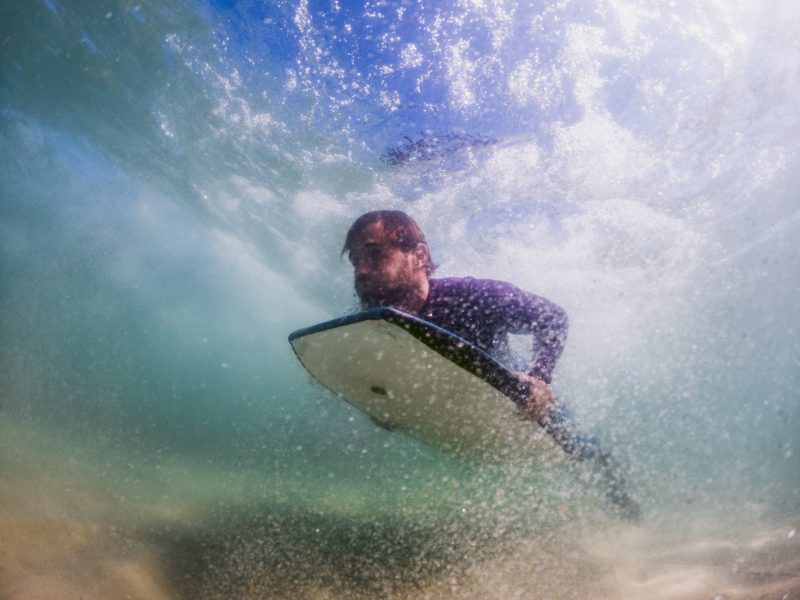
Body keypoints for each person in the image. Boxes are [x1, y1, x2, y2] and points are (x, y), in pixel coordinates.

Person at [342, 209, 641, 521]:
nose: (361, 271)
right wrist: (377, 402)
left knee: (586, 450)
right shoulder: (371, 323)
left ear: (418, 255)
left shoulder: (473, 298)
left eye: (374, 255)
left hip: (518, 404)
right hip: (459, 417)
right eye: (355, 261)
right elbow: (358, 368)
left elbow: (553, 319)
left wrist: (539, 378)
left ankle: (630, 516)